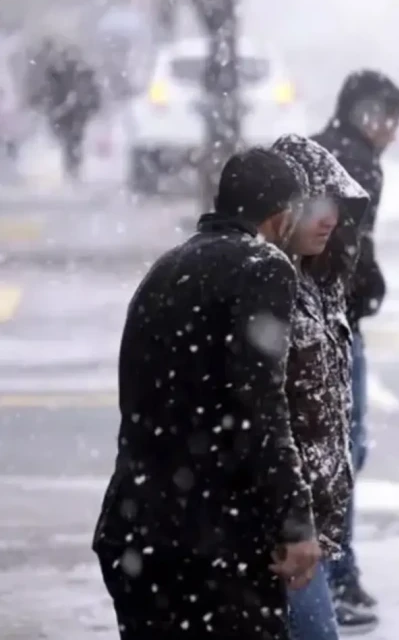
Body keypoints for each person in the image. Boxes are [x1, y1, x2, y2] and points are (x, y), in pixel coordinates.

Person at [93, 148, 319, 640]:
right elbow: (259, 404)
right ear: (282, 216)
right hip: (213, 543)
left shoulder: (167, 268)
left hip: (138, 528)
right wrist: (294, 521)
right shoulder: (264, 266)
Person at [310, 69, 399, 628]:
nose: (393, 133)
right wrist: (369, 291)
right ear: (368, 113)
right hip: (335, 324)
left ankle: (333, 575)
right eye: (390, 119)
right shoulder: (356, 162)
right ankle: (333, 578)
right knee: (343, 452)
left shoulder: (320, 151)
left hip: (316, 319)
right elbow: (351, 250)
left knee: (329, 450)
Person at [269, 134, 372, 640]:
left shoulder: (320, 287)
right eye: (314, 205)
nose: (328, 218)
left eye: (336, 206)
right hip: (283, 530)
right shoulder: (265, 292)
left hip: (311, 532)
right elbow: (263, 415)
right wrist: (290, 520)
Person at [28, 39, 102, 182]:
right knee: (71, 140)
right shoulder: (59, 73)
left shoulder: (75, 74)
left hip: (74, 113)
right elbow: (49, 91)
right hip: (68, 113)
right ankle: (72, 169)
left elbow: (91, 93)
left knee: (72, 140)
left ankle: (73, 169)